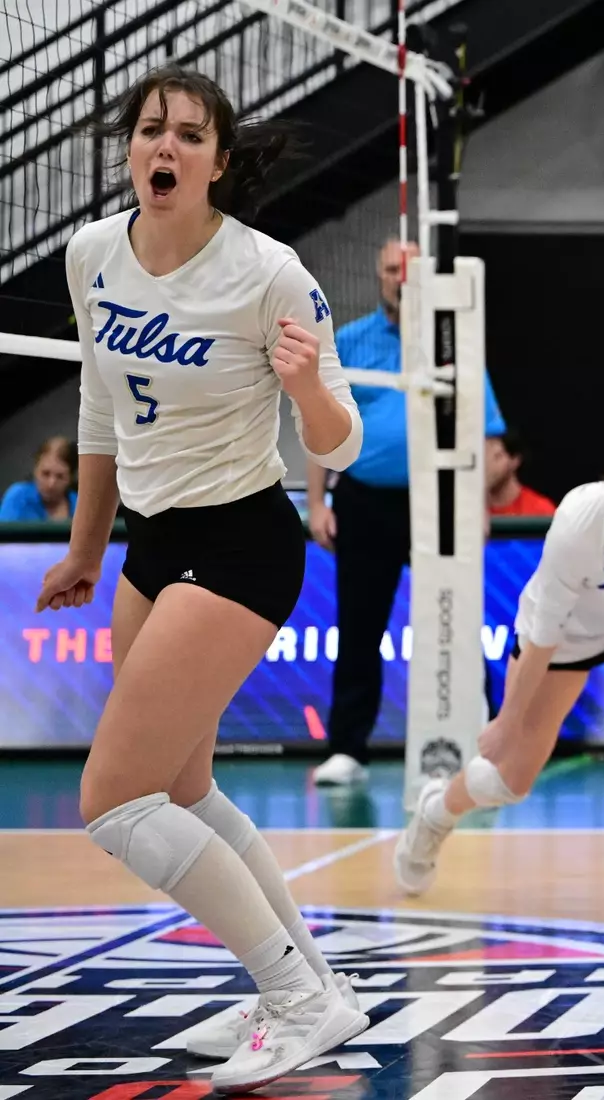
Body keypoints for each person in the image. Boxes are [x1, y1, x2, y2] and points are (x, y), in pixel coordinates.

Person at [35, 65, 367, 1092]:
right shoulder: (91, 253)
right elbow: (99, 411)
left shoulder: (267, 271)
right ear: (129, 151)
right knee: (182, 787)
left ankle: (293, 995)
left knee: (112, 799)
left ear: (220, 161)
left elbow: (343, 443)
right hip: (153, 540)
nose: (164, 148)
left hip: (241, 541)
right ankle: (316, 987)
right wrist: (89, 547)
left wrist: (308, 387)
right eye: (148, 132)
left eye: (187, 134)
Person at [393, 403, 604, 933]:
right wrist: (508, 721)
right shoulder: (583, 518)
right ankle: (439, 808)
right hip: (561, 642)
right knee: (508, 781)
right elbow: (543, 634)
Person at [306, 236, 509, 786]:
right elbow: (319, 427)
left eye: (410, 268)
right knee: (358, 629)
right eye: (392, 267)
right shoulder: (349, 341)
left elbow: (485, 433)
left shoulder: (454, 343)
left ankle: (488, 740)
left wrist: (478, 505)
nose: (400, 275)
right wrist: (318, 502)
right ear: (379, 276)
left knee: (459, 620)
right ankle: (347, 749)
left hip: (440, 499)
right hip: (365, 501)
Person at [0, 437, 77, 521]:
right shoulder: (17, 496)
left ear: (71, 477)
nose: (51, 484)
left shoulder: (79, 504)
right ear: (35, 470)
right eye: (45, 474)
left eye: (60, 477)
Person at [486, 429, 557, 516]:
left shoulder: (540, 510)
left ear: (515, 460)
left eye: (497, 457)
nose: (487, 464)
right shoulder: (469, 508)